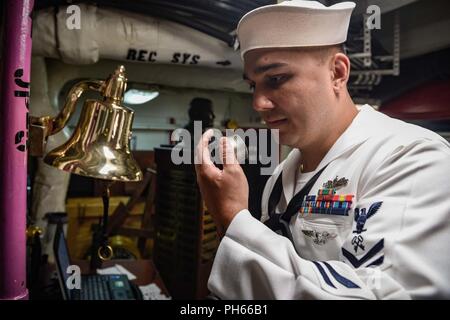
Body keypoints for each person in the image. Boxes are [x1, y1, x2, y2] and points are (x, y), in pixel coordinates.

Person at [194, 0, 450, 299]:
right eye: (253, 85)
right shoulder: (280, 177)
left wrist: (233, 216)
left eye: (276, 79)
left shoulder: (410, 159)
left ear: (337, 73)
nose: (258, 103)